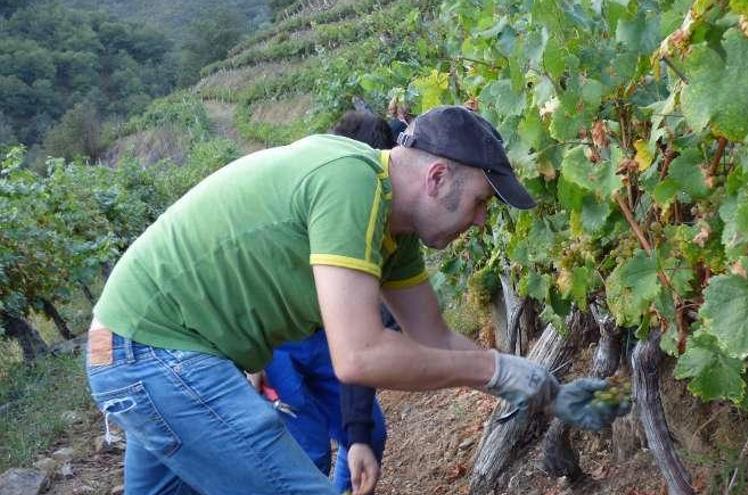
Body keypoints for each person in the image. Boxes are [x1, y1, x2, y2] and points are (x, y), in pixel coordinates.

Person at [86, 105, 627, 495]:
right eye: (482, 202)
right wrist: (494, 370)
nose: (481, 220)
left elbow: (432, 336)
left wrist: (546, 390)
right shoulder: (354, 181)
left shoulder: (395, 232)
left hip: (145, 353)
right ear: (438, 177)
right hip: (154, 353)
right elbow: (359, 355)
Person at [264, 110, 397, 494]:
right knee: (309, 449)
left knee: (369, 432)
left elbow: (360, 342)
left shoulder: (373, 222)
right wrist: (251, 361)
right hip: (277, 342)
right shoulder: (304, 194)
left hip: (322, 335)